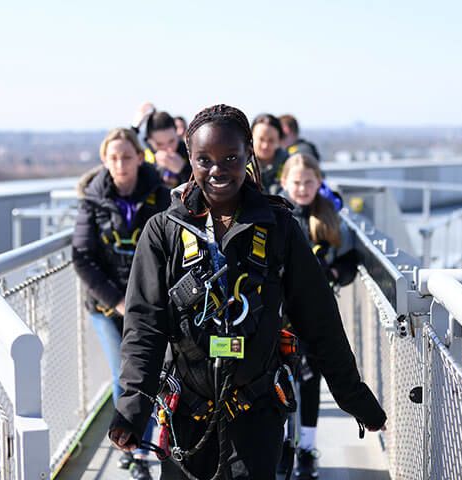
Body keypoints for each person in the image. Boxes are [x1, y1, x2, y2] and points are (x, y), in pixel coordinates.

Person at [108, 104, 386, 480]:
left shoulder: (279, 229)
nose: (217, 170)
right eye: (204, 160)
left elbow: (319, 320)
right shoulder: (163, 231)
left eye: (231, 158)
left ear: (248, 157)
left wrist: (355, 399)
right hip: (186, 415)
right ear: (189, 159)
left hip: (256, 413)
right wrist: (132, 409)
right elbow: (145, 327)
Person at [72, 127, 171, 480]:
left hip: (150, 305)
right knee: (124, 375)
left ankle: (147, 445)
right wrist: (116, 301)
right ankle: (134, 453)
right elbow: (82, 257)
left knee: (153, 374)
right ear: (104, 159)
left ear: (139, 157)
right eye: (113, 157)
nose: (120, 163)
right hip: (106, 306)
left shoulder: (159, 195)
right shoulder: (92, 200)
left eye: (127, 156)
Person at [278, 153, 360, 479]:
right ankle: (283, 443)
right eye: (296, 182)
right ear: (284, 182)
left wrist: (335, 273)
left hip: (314, 316)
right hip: (279, 315)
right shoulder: (273, 214)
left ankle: (307, 448)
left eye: (308, 182)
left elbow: (352, 260)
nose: (301, 188)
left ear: (319, 183)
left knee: (311, 380)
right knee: (280, 381)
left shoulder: (328, 218)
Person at [132, 104, 192, 188]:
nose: (168, 148)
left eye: (171, 141)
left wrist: (184, 170)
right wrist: (134, 128)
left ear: (176, 134)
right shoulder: (142, 156)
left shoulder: (189, 152)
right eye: (159, 144)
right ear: (150, 141)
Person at [251, 113, 288, 194]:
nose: (265, 146)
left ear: (279, 141)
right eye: (261, 139)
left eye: (271, 140)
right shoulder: (239, 165)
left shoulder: (290, 166)